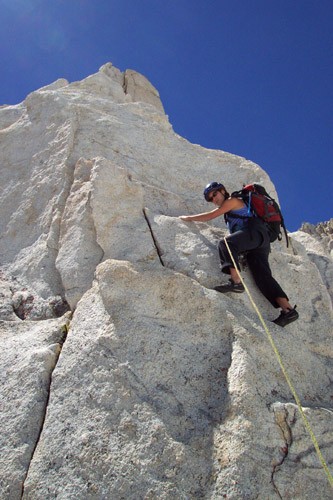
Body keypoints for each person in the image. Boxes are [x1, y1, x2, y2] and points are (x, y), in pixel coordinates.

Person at [179, 181, 299, 327]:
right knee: (262, 276)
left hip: (255, 231)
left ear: (223, 191)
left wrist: (188, 218)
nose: (213, 199)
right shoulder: (230, 214)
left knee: (226, 243)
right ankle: (288, 310)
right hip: (259, 240)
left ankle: (236, 283)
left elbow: (211, 215)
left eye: (215, 194)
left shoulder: (232, 201)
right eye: (210, 199)